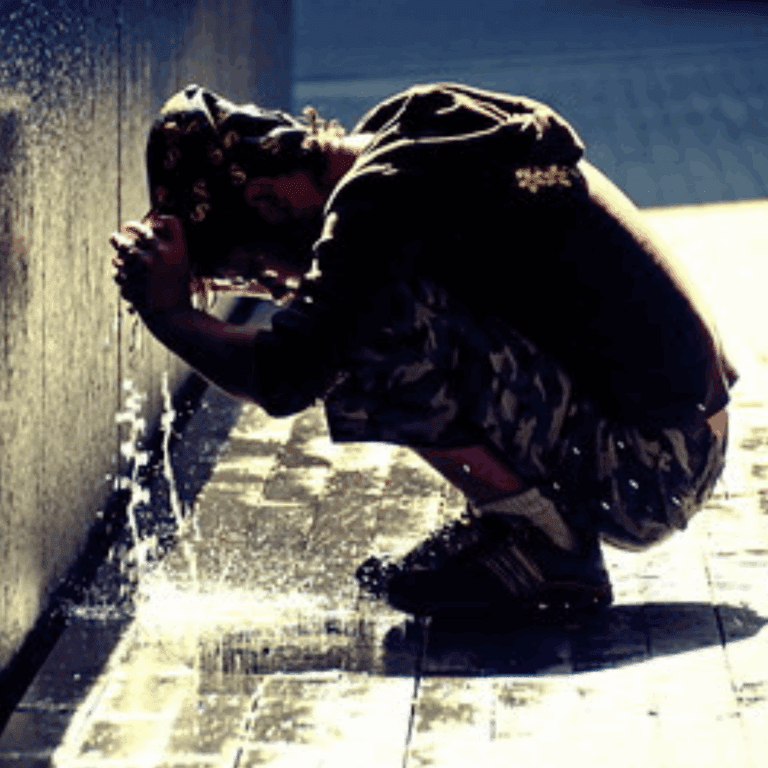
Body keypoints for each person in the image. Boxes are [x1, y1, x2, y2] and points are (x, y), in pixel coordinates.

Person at [110, 82, 736, 625]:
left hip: (652, 471)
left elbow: (285, 376)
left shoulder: (377, 201)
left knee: (370, 324)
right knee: (361, 307)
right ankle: (518, 522)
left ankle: (540, 543)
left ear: (270, 201)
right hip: (683, 436)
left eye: (256, 267)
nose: (277, 286)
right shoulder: (406, 131)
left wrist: (171, 315)